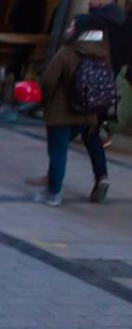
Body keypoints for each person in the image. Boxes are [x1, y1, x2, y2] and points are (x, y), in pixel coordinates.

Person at [30, 15, 111, 205]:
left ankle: (54, 193)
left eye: (71, 27)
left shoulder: (67, 52)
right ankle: (97, 176)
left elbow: (49, 80)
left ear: (79, 31)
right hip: (87, 114)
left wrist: (43, 99)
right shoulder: (102, 54)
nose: (68, 30)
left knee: (58, 152)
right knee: (62, 149)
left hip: (61, 113)